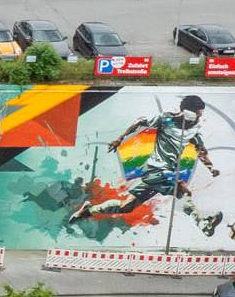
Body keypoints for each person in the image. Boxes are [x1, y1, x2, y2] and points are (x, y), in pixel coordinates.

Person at [65, 95, 226, 237]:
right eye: (198, 112)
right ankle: (203, 223)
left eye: (201, 113)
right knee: (183, 190)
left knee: (126, 207)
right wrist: (120, 139)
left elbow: (201, 150)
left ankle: (89, 210)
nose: (200, 116)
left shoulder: (193, 131)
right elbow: (141, 121)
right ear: (188, 112)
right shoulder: (166, 120)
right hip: (156, 170)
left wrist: (211, 168)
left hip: (163, 173)